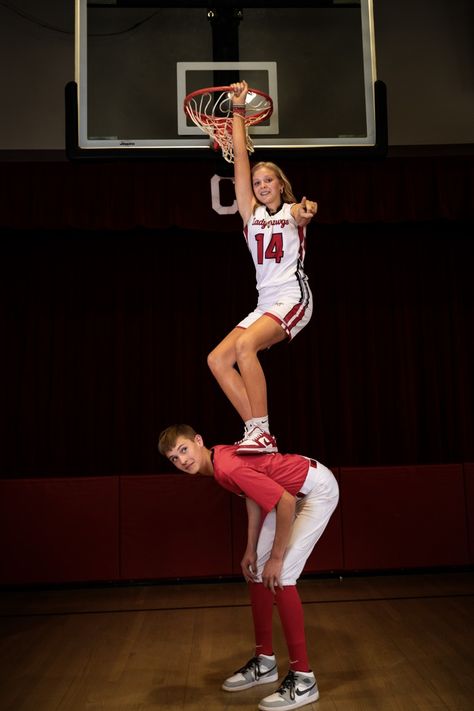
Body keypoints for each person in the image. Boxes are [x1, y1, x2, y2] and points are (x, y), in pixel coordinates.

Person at [158, 423, 339, 711]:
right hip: (290, 493)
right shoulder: (217, 461)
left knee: (282, 575)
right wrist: (251, 549)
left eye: (183, 449)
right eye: (174, 458)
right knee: (257, 571)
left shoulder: (225, 467)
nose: (182, 460)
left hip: (315, 491)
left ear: (198, 440)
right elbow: (255, 496)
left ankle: (304, 678)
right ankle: (265, 662)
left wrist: (277, 558)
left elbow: (285, 502)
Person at [207, 80, 318, 455]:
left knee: (244, 346)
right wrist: (237, 109)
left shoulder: (290, 212)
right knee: (218, 359)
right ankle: (257, 431)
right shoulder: (249, 215)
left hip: (293, 297)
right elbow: (240, 157)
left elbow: (304, 215)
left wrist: (306, 212)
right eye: (257, 182)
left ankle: (263, 431)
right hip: (265, 302)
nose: (261, 184)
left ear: (280, 184)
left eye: (268, 179)